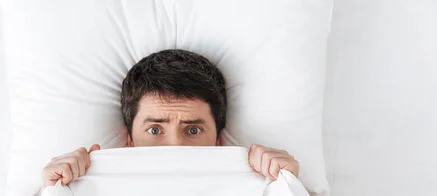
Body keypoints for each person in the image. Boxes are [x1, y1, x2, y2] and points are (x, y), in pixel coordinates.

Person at [42, 49, 300, 186]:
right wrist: (57, 194)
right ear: (129, 139)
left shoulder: (259, 187)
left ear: (219, 140)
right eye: (155, 130)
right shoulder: (87, 186)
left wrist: (286, 188)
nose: (174, 146)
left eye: (193, 130)